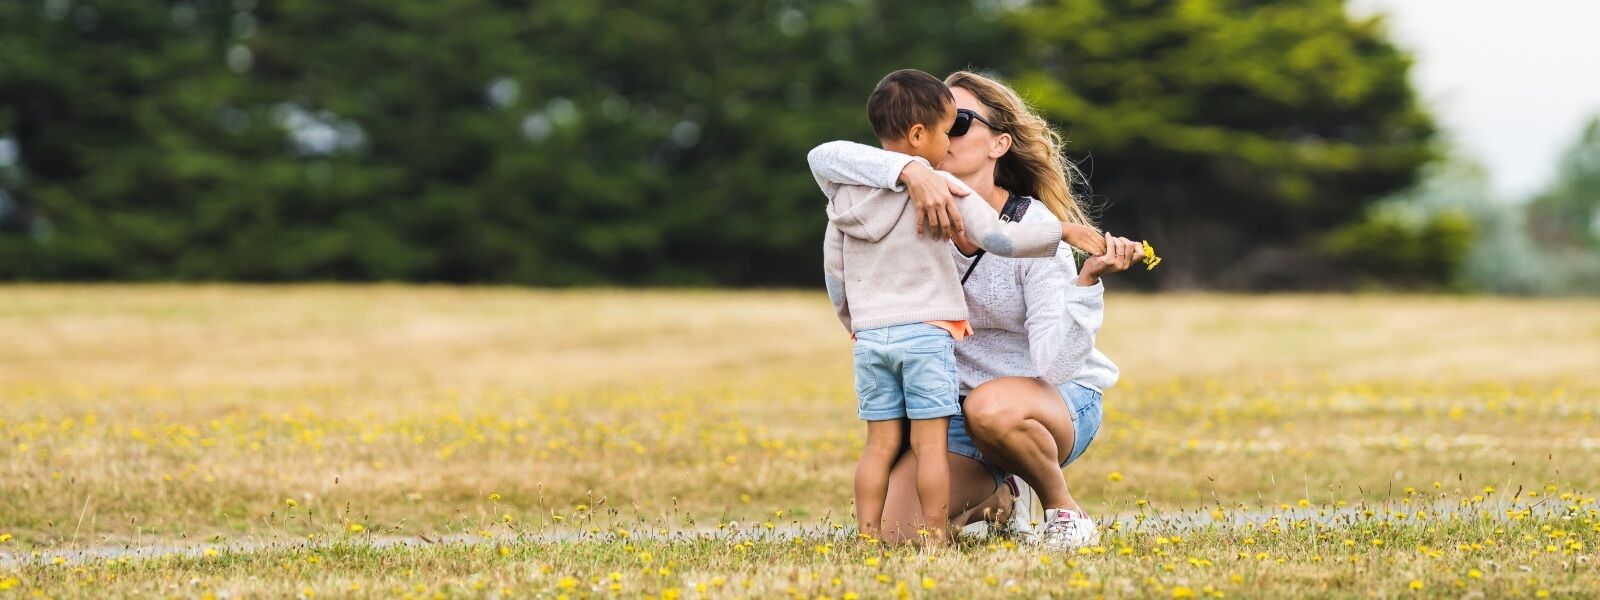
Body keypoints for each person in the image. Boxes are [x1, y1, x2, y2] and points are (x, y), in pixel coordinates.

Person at [809, 70, 1147, 548]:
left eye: (959, 122)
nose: (945, 132)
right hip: (955, 409)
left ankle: (1062, 509)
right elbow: (823, 157)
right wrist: (910, 171)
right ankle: (1000, 500)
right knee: (898, 536)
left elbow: (1055, 365)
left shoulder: (1032, 229)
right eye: (937, 120)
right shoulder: (904, 205)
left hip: (1048, 403)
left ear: (999, 144)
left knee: (992, 407)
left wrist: (1085, 283)